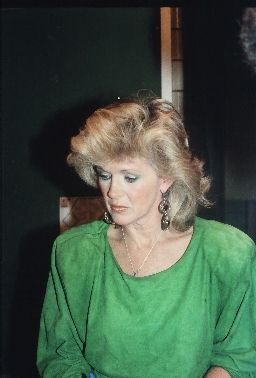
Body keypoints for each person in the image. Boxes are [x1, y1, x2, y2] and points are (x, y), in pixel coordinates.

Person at [37, 98, 256, 377]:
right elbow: (60, 355)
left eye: (129, 178)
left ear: (166, 178)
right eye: (105, 175)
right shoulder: (74, 253)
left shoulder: (227, 252)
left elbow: (239, 356)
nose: (112, 192)